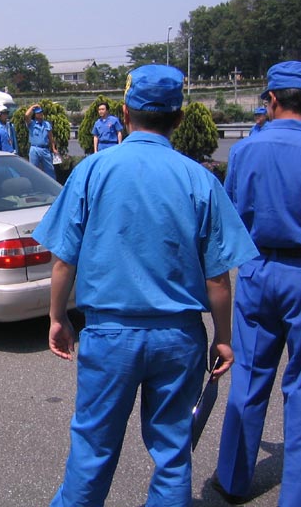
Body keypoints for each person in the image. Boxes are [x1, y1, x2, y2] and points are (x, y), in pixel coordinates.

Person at [33, 64, 257, 507]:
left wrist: (58, 317)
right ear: (178, 119)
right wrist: (224, 338)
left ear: (124, 112)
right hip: (179, 337)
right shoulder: (200, 179)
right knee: (173, 454)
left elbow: (63, 262)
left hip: (109, 333)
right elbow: (218, 278)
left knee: (93, 449)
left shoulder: (93, 170)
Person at [212, 61, 301, 507]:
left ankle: (232, 479)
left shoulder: (246, 151)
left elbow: (232, 218)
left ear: (270, 99)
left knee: (248, 374)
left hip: (257, 269)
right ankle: (298, 493)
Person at [24, 105, 57, 177]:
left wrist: (53, 148)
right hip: (34, 149)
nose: (40, 115)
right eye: (38, 113)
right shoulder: (31, 123)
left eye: (41, 113)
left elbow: (51, 137)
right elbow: (26, 115)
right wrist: (33, 107)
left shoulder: (47, 124)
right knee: (33, 169)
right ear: (35, 115)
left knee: (50, 170)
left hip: (45, 149)